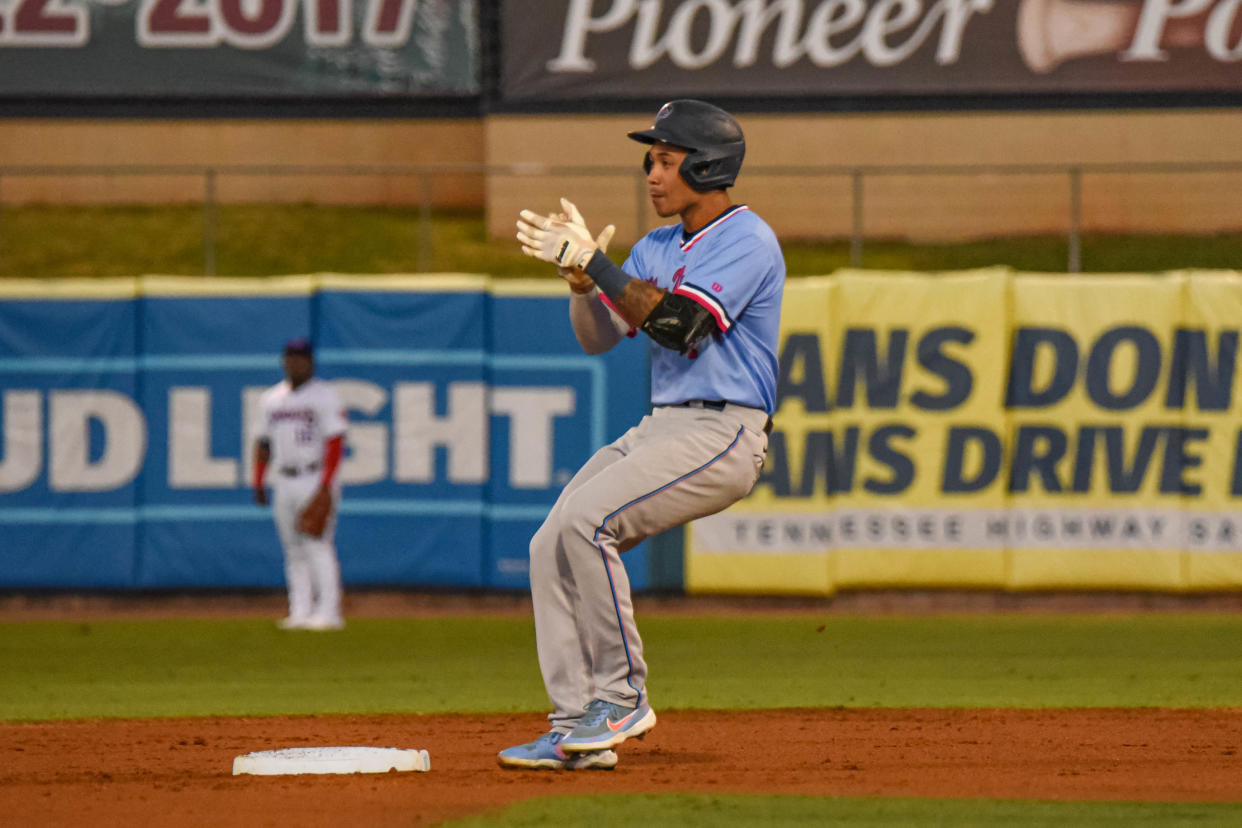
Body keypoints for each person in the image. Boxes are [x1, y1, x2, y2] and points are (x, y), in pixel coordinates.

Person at [499, 99, 785, 770]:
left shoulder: (748, 238)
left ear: (707, 164)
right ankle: (576, 727)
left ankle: (623, 697)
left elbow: (682, 327)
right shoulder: (655, 246)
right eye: (650, 159)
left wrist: (599, 266)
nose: (651, 173)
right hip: (666, 424)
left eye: (665, 159)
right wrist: (580, 283)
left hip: (725, 428)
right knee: (551, 543)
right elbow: (603, 337)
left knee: (588, 524)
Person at [252, 338, 348, 631]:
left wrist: (326, 487)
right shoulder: (271, 399)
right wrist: (258, 479)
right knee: (293, 549)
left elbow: (335, 442)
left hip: (314, 476)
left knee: (317, 544)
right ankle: (300, 611)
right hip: (284, 478)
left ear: (311, 362)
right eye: (291, 357)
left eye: (301, 358)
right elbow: (263, 441)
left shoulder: (325, 396)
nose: (295, 363)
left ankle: (329, 612)